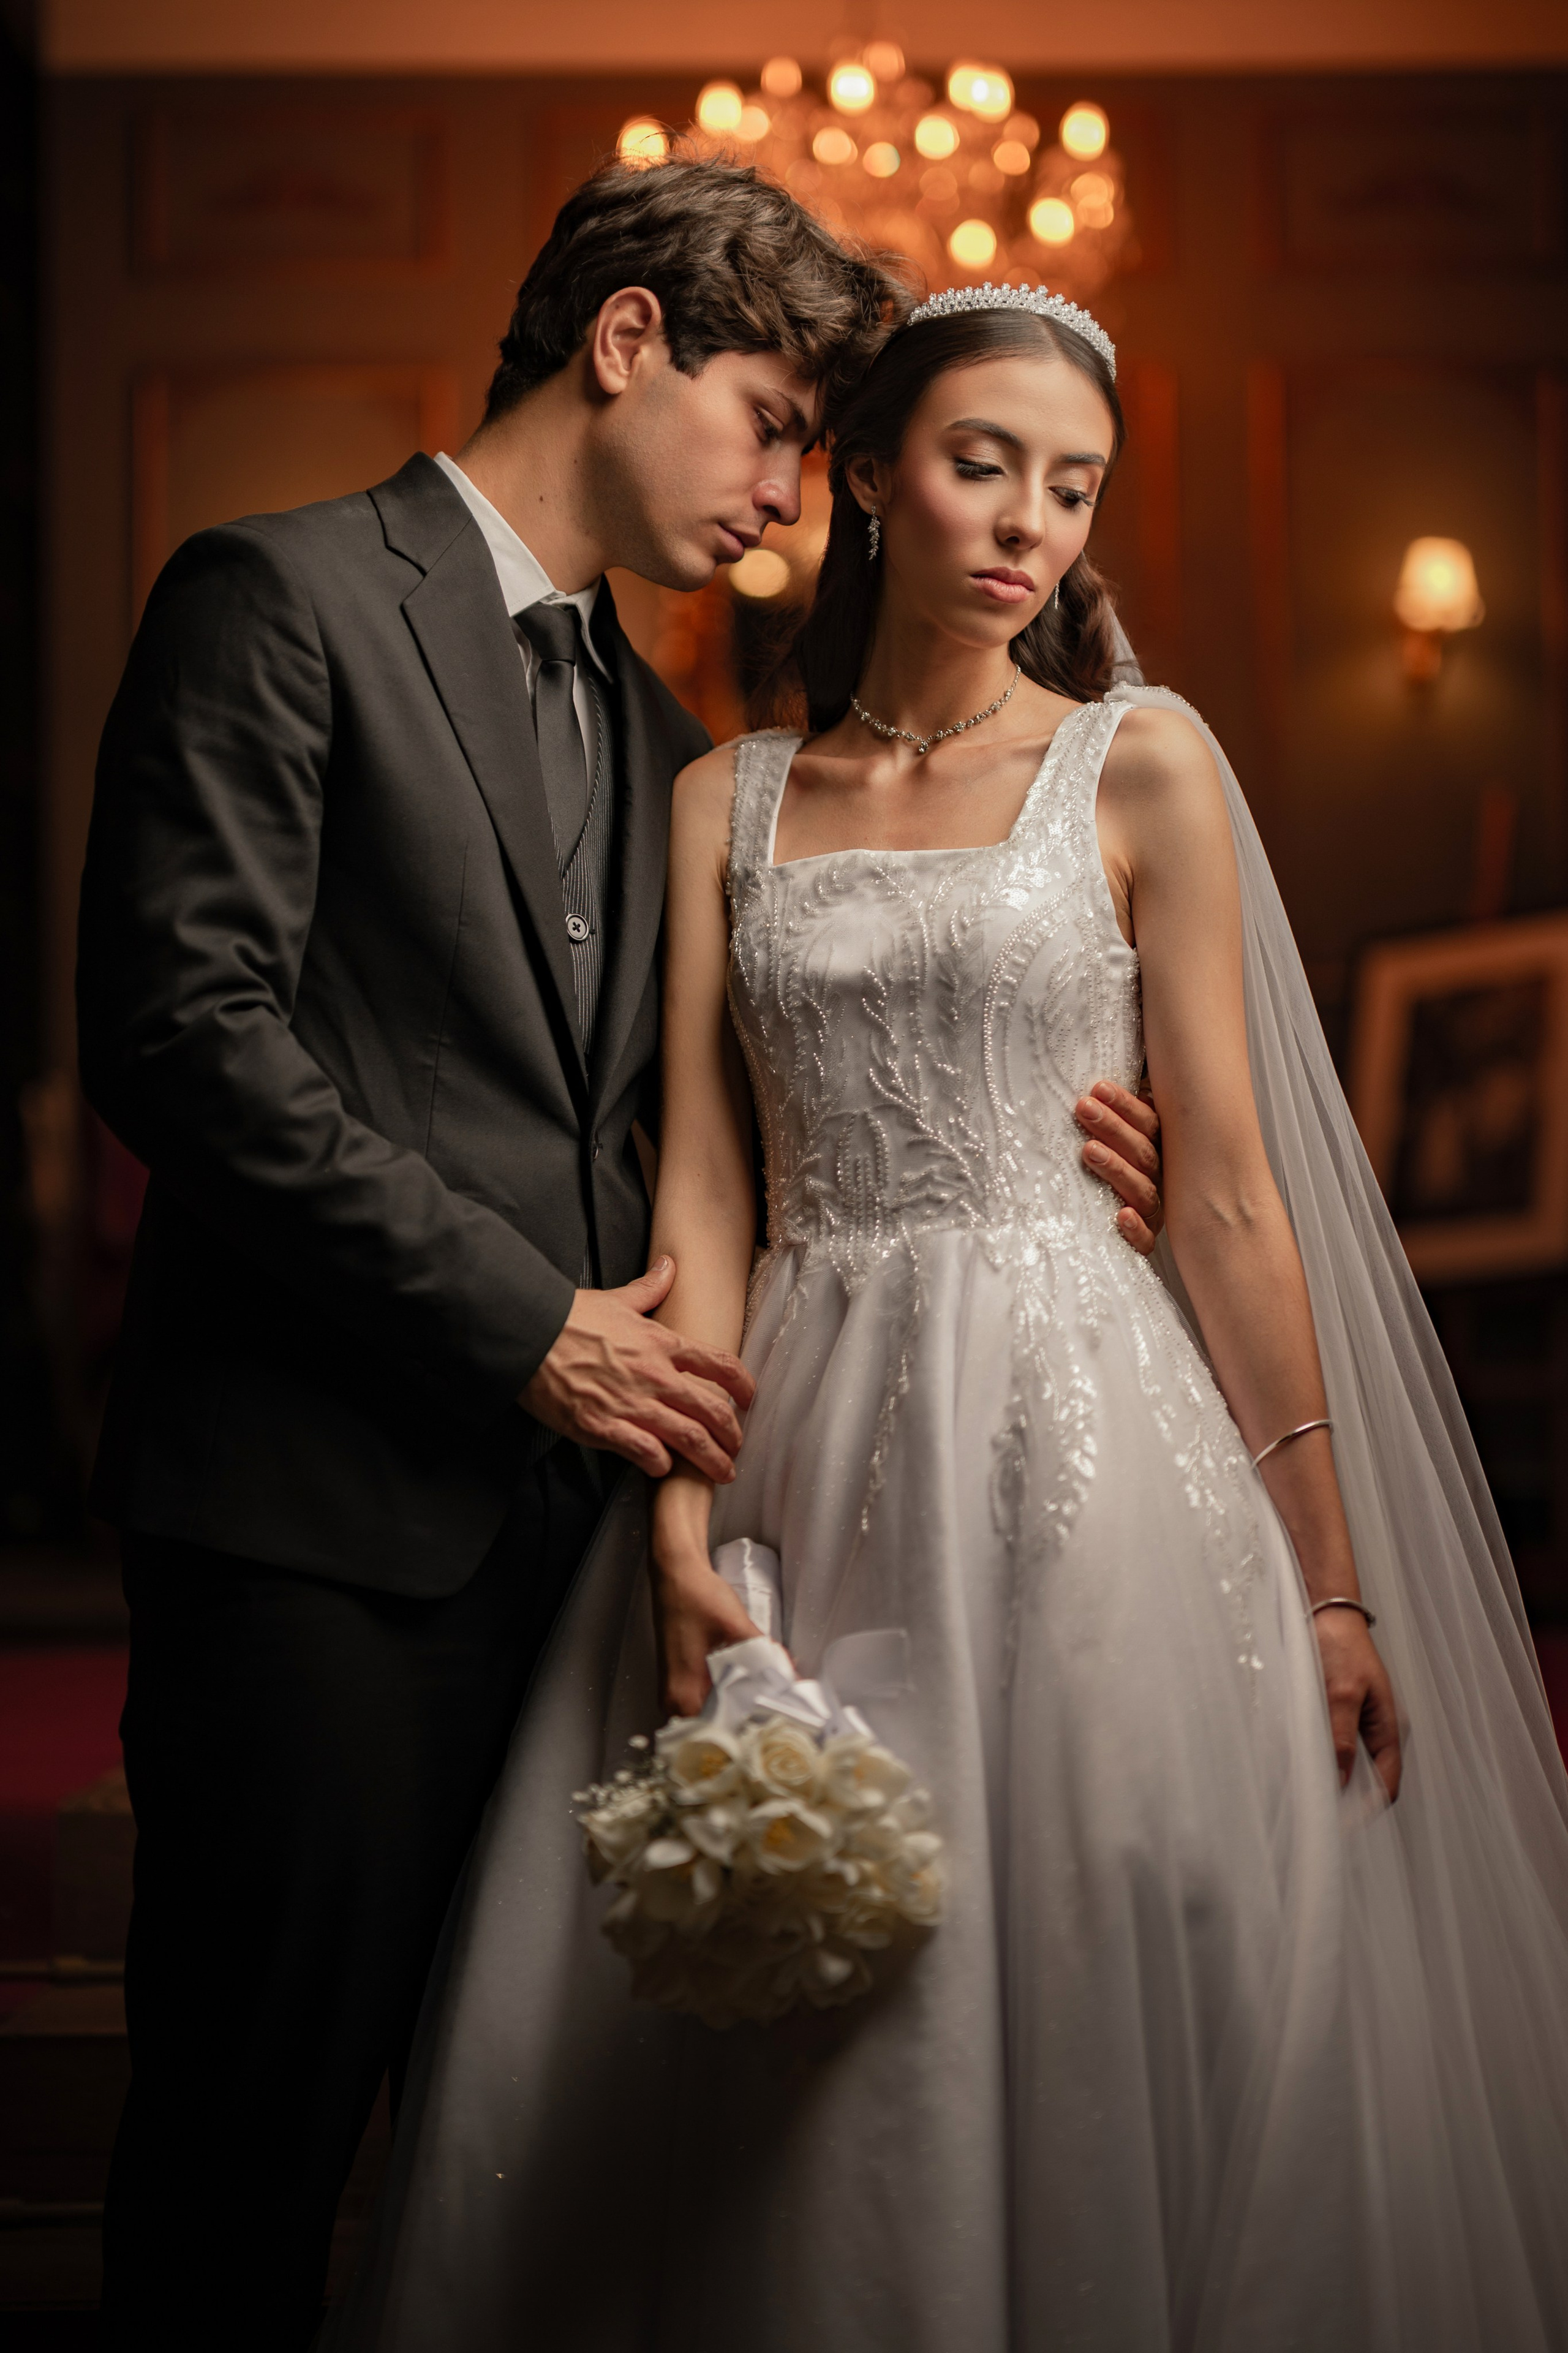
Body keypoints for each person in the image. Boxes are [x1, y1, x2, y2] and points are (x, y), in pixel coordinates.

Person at [333, 285, 1568, 2351]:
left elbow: (1238, 1192)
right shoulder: (725, 799)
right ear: (876, 482)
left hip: (1093, 1426)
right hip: (808, 1419)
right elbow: (708, 1189)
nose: (1027, 523)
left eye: (1072, 489)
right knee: (807, 2003)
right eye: (984, 463)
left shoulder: (1143, 763)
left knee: (1099, 1922)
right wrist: (674, 1534)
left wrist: (1337, 1585)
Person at [75, 167, 1162, 2351]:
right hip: (321, 1542)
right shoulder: (277, 594)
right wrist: (524, 1331)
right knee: (240, 2175)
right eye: (772, 422)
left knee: (517, 2195)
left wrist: (1057, 1118)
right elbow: (179, 1037)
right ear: (629, 335)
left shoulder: (687, 757)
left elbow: (743, 1118)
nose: (791, 499)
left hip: (594, 1577)